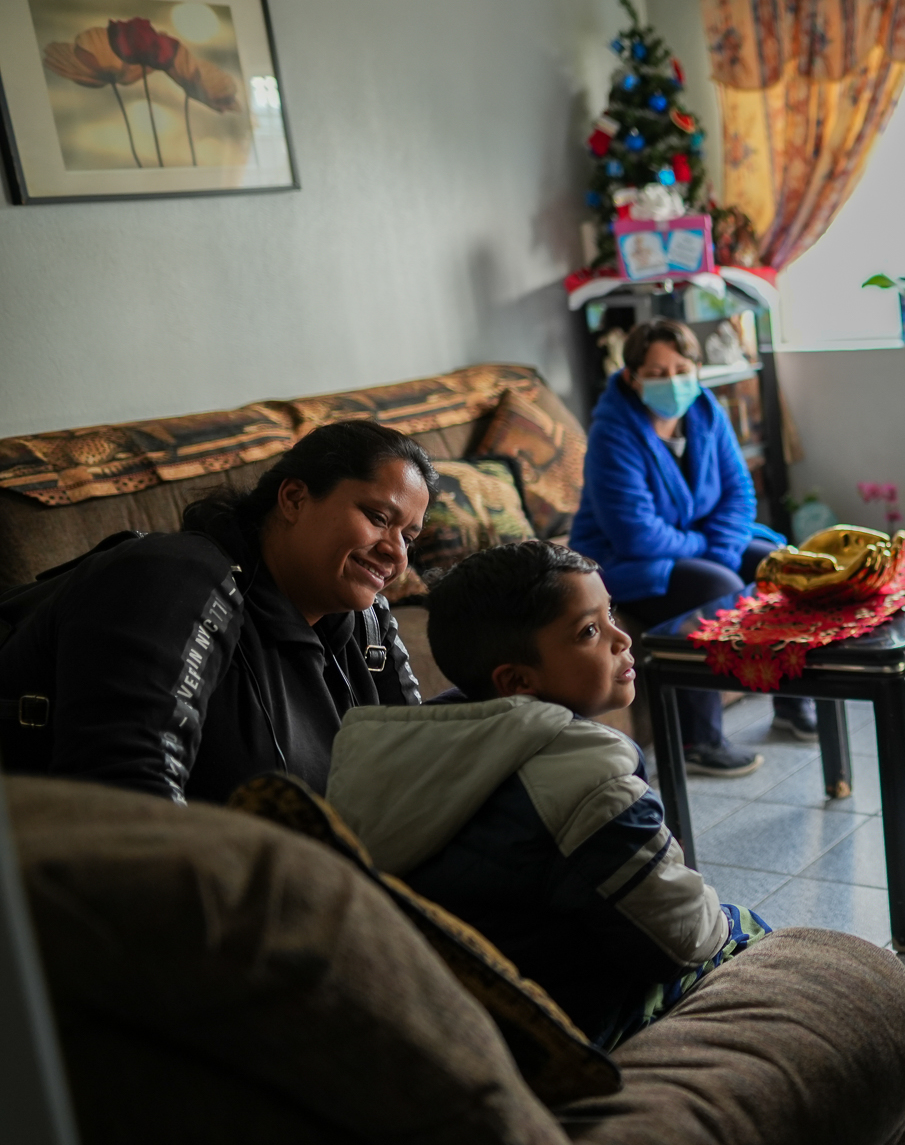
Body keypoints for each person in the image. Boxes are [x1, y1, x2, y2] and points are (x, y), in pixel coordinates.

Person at [325, 540, 770, 1049]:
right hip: (554, 1030)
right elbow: (683, 939)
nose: (621, 639)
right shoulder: (587, 777)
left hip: (449, 1022)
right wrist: (728, 918)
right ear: (517, 681)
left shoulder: (410, 741)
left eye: (610, 615)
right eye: (588, 631)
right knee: (744, 929)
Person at [0, 421, 432, 803]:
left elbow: (425, 777)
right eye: (378, 517)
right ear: (295, 498)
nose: (395, 552)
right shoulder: (171, 579)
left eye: (409, 538)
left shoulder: (367, 622)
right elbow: (128, 799)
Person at [570, 318, 815, 777]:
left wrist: (714, 547)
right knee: (714, 587)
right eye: (658, 373)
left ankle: (792, 703)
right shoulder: (611, 433)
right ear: (632, 377)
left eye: (682, 368)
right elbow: (635, 534)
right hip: (629, 561)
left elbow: (739, 491)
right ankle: (698, 740)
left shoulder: (705, 410)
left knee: (780, 567)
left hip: (696, 545)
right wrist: (711, 549)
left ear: (697, 369)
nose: (673, 382)